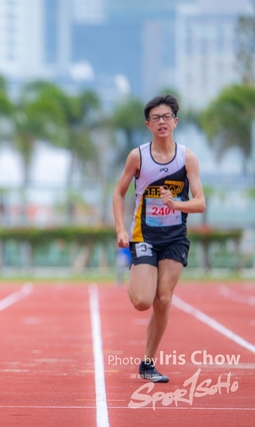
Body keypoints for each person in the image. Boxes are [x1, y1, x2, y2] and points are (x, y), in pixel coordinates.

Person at [112, 94, 205, 383]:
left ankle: (148, 363)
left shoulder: (187, 158)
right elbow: (118, 193)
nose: (161, 122)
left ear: (175, 122)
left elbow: (200, 202)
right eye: (156, 118)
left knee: (163, 300)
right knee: (143, 301)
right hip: (144, 235)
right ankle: (138, 275)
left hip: (175, 238)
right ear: (148, 124)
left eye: (166, 117)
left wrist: (177, 204)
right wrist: (120, 228)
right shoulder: (138, 157)